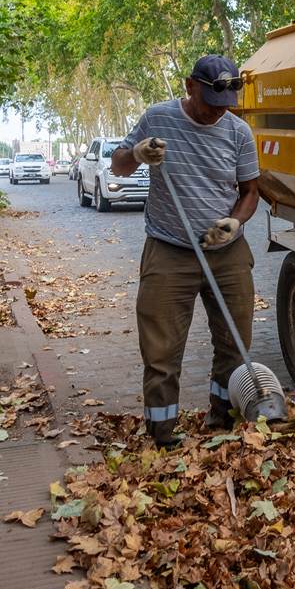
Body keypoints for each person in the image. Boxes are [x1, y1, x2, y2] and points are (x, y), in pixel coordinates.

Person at [112, 54, 260, 447]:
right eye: (210, 105)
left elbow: (250, 192)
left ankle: (221, 421)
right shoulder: (157, 118)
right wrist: (138, 154)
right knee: (161, 352)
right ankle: (163, 436)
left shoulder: (238, 132)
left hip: (225, 250)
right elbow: (119, 167)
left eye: (224, 107)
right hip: (169, 249)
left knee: (234, 341)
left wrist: (236, 222)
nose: (216, 114)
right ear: (189, 86)